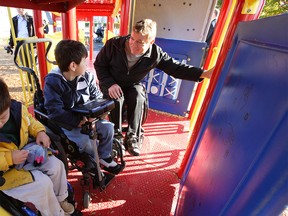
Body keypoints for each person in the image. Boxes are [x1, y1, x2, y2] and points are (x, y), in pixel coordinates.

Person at [94, 19, 214, 156]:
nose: (133, 44)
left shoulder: (155, 54)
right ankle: (116, 135)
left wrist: (204, 74)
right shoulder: (114, 44)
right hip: (112, 83)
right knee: (117, 98)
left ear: (151, 42)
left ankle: (133, 136)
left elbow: (176, 68)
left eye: (140, 42)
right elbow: (99, 65)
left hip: (132, 84)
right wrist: (109, 83)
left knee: (138, 94)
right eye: (132, 38)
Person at [43, 39, 122, 174]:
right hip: (67, 122)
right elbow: (54, 111)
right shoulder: (53, 82)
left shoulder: (87, 77)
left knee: (108, 127)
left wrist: (97, 115)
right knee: (87, 141)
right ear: (73, 65)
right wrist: (77, 121)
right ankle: (92, 159)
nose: (87, 64)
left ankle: (104, 156)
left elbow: (97, 97)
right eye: (84, 61)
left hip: (88, 118)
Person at [0, 78, 75, 216]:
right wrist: (9, 158)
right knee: (43, 184)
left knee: (56, 166)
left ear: (9, 105)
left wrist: (40, 132)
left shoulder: (17, 110)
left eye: (2, 118)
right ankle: (55, 213)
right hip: (6, 173)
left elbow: (31, 122)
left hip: (25, 155)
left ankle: (61, 200)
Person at [7, 8, 35, 88]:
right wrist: (10, 44)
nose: (20, 9)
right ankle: (31, 83)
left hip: (29, 42)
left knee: (31, 64)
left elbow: (35, 31)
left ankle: (34, 82)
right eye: (18, 8)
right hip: (19, 43)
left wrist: (35, 44)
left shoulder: (30, 18)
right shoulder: (14, 19)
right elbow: (12, 33)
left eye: (22, 8)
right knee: (24, 65)